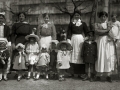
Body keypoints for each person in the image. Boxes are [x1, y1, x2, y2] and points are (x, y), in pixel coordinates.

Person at [94, 11, 116, 82]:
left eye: (105, 16)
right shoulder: (96, 24)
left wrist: (104, 31)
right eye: (102, 16)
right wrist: (106, 30)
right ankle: (99, 75)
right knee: (100, 56)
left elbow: (111, 30)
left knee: (107, 56)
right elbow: (97, 31)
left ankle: (108, 75)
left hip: (108, 41)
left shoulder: (109, 23)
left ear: (106, 17)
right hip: (100, 41)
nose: (103, 18)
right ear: (99, 17)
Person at [67, 11, 89, 77]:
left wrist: (85, 39)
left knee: (79, 55)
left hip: (80, 40)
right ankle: (72, 73)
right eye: (75, 15)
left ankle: (80, 73)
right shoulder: (71, 23)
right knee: (72, 55)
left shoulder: (83, 23)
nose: (76, 16)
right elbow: (69, 33)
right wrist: (69, 41)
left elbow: (87, 32)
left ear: (80, 16)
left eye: (78, 15)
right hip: (73, 39)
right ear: (73, 16)